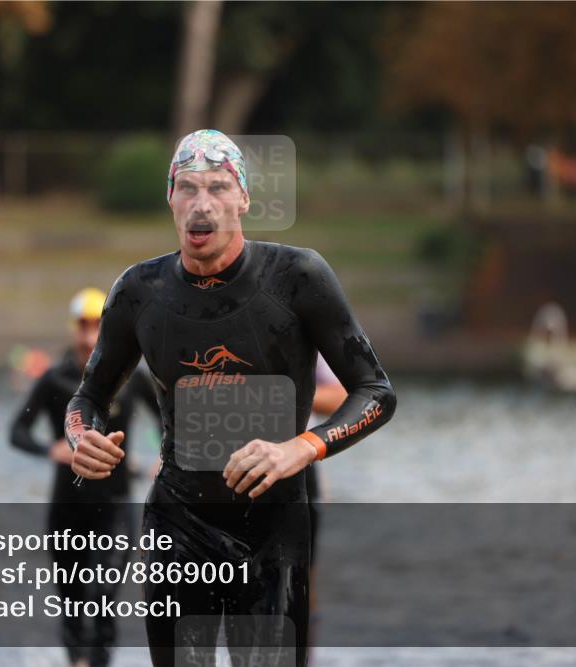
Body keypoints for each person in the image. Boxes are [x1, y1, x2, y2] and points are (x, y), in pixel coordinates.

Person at [64, 129, 396, 667]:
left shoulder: (297, 277)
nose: (203, 205)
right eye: (188, 188)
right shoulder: (137, 291)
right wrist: (83, 438)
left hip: (273, 527)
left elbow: (376, 393)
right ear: (170, 198)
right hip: (177, 520)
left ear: (243, 198)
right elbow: (89, 397)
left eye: (218, 187)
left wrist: (301, 447)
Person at [8, 287, 160, 667]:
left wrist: (164, 457)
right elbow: (17, 432)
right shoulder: (53, 380)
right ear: (73, 328)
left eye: (98, 325)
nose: (90, 335)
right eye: (83, 325)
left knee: (104, 593)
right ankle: (77, 661)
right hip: (68, 507)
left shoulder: (129, 377)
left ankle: (98, 662)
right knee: (72, 597)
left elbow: (169, 420)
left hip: (115, 505)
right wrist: (51, 449)